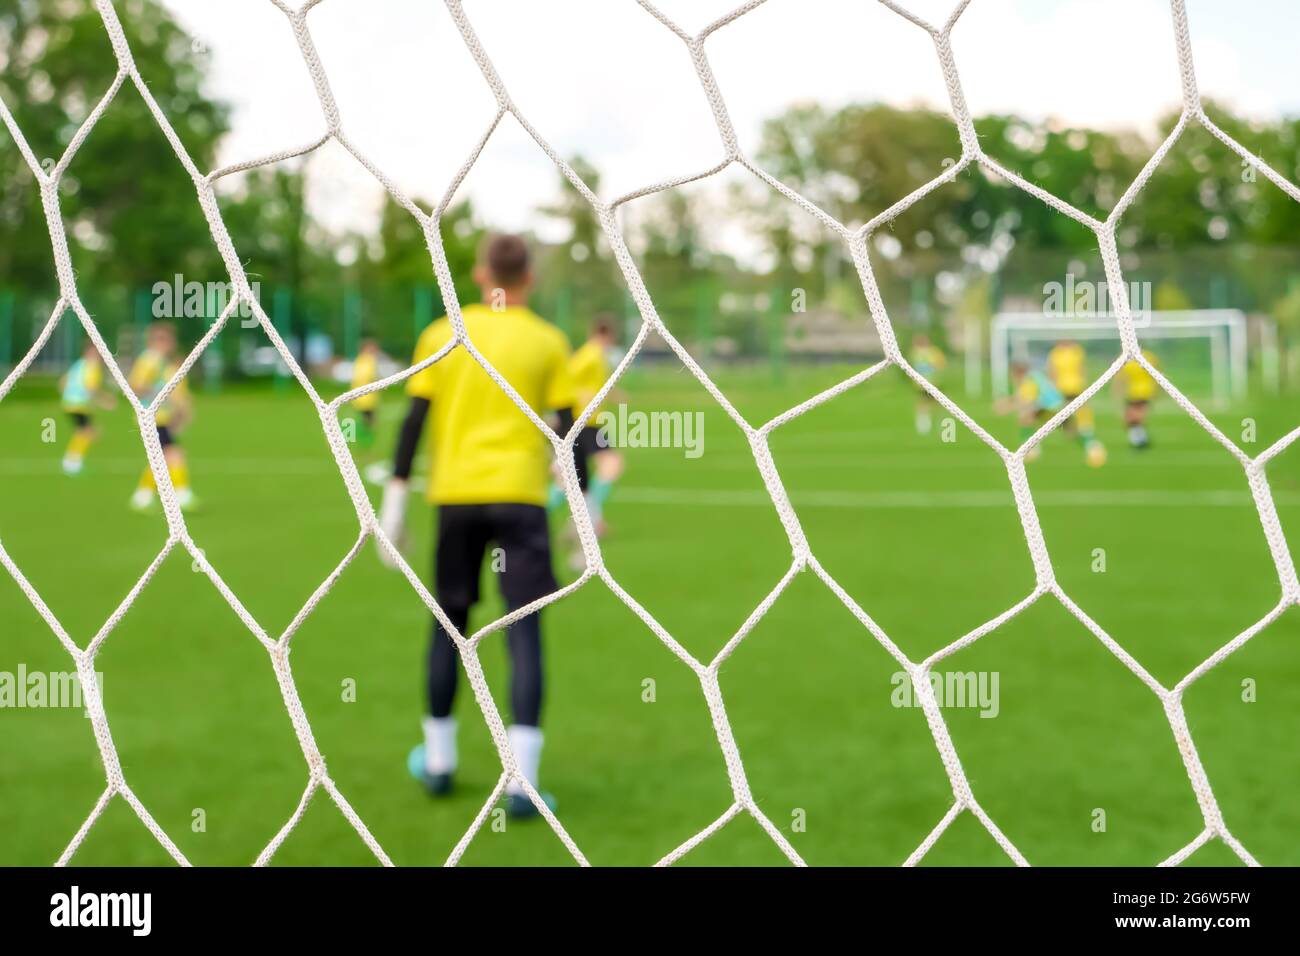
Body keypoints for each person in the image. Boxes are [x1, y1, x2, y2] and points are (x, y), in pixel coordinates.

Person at [377, 234, 575, 818]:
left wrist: (393, 503)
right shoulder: (547, 341)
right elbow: (570, 431)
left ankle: (439, 763)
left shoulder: (443, 335)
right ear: (529, 278)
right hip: (520, 498)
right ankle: (523, 783)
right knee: (523, 630)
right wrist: (583, 516)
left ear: (480, 272)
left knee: (449, 625)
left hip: (456, 499)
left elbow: (414, 421)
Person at [549, 314, 624, 569]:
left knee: (581, 477)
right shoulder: (590, 355)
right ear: (606, 335)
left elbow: (594, 384)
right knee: (603, 467)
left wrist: (612, 395)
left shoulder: (595, 356)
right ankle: (580, 520)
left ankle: (588, 521)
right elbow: (567, 378)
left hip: (591, 420)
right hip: (583, 421)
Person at [128, 321, 197, 511]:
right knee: (174, 455)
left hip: (162, 418)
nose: (171, 343)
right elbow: (135, 387)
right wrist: (160, 394)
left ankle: (143, 496)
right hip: (152, 419)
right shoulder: (149, 360)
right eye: (165, 339)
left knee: (164, 458)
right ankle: (181, 494)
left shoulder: (163, 362)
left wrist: (181, 410)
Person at [1046, 339, 1106, 467]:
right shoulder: (1071, 351)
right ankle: (1086, 436)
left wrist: (1052, 386)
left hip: (1066, 386)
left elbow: (1054, 372)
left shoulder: (1063, 352)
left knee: (1068, 415)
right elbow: (1079, 370)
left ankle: (1088, 440)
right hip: (1069, 386)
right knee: (1074, 414)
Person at [60, 342, 111, 475]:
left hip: (69, 403)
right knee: (88, 432)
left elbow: (62, 383)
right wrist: (105, 400)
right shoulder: (92, 366)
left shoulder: (79, 363)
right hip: (79, 404)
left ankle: (72, 460)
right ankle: (72, 461)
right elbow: (91, 388)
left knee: (84, 431)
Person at [1118, 349, 1159, 450]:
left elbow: (1122, 377)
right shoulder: (1149, 356)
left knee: (1133, 418)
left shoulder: (1127, 358)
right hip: (1140, 391)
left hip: (1140, 391)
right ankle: (1141, 440)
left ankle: (1139, 441)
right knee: (1133, 418)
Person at [909, 333, 946, 435]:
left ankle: (935, 425)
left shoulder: (930, 352)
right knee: (924, 403)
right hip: (924, 384)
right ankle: (925, 425)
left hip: (931, 382)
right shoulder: (918, 353)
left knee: (935, 404)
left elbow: (940, 364)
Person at [349, 338, 382, 449]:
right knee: (370, 422)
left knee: (366, 421)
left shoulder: (359, 360)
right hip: (367, 398)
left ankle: (364, 443)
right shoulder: (369, 360)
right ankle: (365, 443)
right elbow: (370, 376)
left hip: (359, 396)